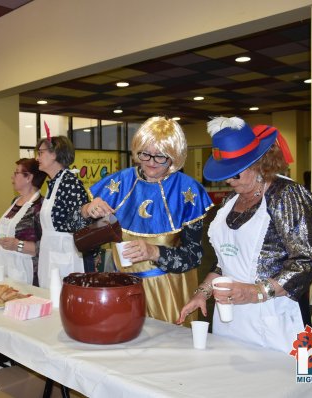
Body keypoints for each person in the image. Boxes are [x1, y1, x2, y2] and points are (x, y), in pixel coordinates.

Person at [178, 117, 312, 352]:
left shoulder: (287, 196)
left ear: (258, 164)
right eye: (226, 174)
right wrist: (202, 292)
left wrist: (256, 292)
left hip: (274, 319)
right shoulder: (229, 201)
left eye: (235, 174)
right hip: (231, 318)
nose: (229, 181)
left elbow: (306, 261)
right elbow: (226, 261)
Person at [83, 116, 214, 323]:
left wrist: (155, 252)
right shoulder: (119, 183)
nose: (151, 163)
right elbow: (74, 226)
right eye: (145, 154)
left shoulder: (187, 191)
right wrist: (86, 209)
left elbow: (194, 256)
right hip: (123, 290)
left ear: (174, 156)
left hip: (169, 293)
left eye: (160, 156)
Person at [36, 136, 90, 288]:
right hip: (49, 253)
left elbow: (81, 224)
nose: (37, 157)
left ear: (54, 154)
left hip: (66, 254)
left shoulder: (70, 183)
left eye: (40, 153)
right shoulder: (53, 184)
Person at [0, 158, 46, 286]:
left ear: (28, 177)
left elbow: (45, 247)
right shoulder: (15, 201)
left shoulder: (40, 207)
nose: (12, 176)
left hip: (26, 272)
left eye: (16, 172)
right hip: (5, 266)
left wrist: (17, 245)